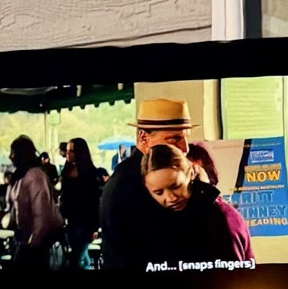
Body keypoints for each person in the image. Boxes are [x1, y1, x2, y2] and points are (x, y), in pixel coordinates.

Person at [98, 97, 220, 270]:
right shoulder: (134, 182)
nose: (185, 148)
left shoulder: (127, 175)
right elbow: (175, 247)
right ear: (143, 138)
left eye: (185, 138)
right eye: (174, 139)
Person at [141, 144, 253, 267]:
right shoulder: (152, 221)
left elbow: (234, 278)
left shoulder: (222, 215)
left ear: (191, 173)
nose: (170, 198)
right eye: (158, 192)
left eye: (176, 186)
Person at [4, 132, 62, 271]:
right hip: (26, 240)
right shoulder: (22, 175)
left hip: (35, 242)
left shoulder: (35, 176)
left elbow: (41, 212)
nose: (10, 156)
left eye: (13, 152)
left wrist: (33, 241)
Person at [58, 135, 108, 266]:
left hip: (85, 222)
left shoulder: (90, 174)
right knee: (80, 255)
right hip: (71, 221)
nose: (67, 154)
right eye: (67, 151)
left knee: (77, 257)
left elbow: (94, 201)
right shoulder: (66, 172)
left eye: (71, 151)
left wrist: (95, 227)